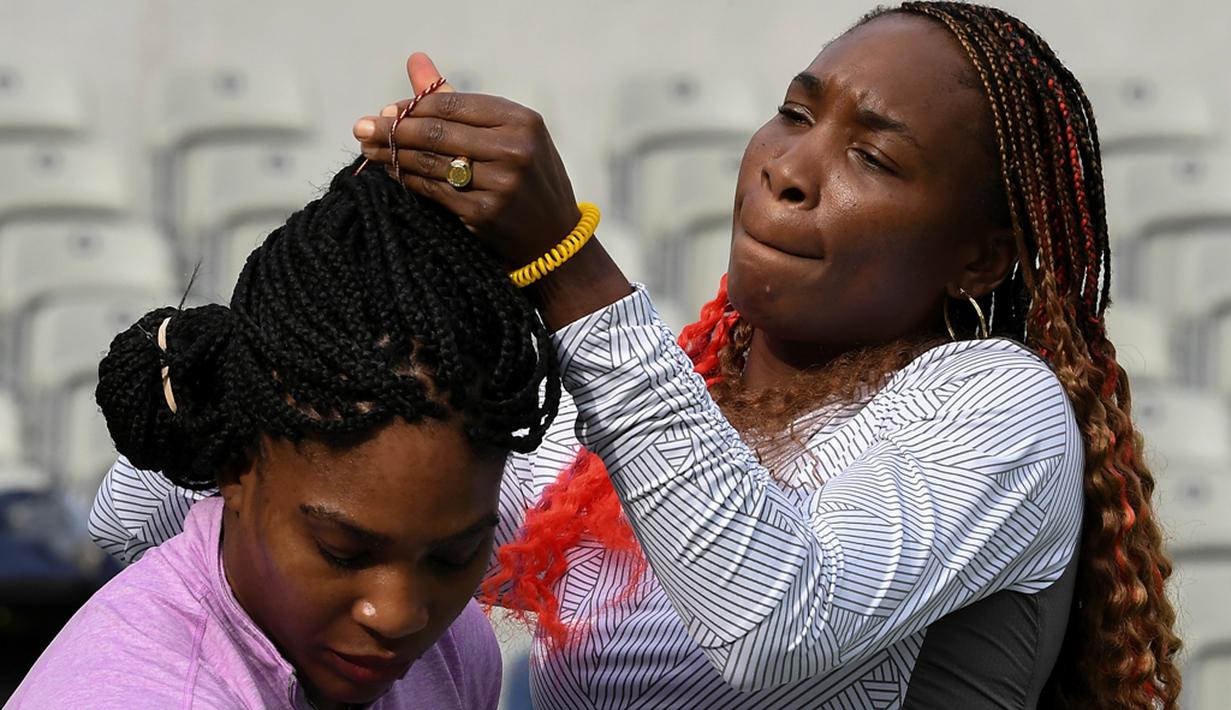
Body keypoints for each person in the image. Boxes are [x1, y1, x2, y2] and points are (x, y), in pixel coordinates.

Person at [92, 2, 1182, 708]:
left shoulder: (995, 405)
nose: (790, 168)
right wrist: (374, 259)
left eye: (873, 157)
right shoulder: (635, 396)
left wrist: (565, 263)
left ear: (979, 250)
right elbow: (131, 527)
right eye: (793, 113)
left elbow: (773, 624)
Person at [11, 157, 559, 709]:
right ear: (236, 466)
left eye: (452, 558)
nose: (397, 616)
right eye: (341, 550)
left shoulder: (456, 649)